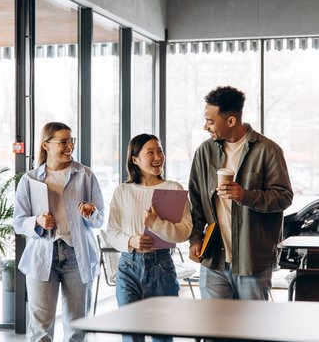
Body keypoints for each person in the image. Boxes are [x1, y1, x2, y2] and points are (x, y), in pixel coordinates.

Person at [188, 86, 293, 301]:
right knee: (214, 330)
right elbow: (196, 200)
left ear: (231, 121)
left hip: (252, 261)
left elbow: (284, 196)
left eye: (210, 121)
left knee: (252, 330)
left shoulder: (268, 150)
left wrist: (245, 195)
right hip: (213, 259)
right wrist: (195, 238)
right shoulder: (204, 152)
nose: (205, 126)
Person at [13, 122, 104, 342]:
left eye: (71, 141)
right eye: (63, 142)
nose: (69, 147)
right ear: (46, 145)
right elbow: (18, 222)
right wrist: (37, 221)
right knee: (41, 328)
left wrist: (91, 213)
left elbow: (99, 219)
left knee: (77, 327)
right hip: (42, 255)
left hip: (77, 255)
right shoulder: (30, 179)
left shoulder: (85, 175)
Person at [106, 133, 192, 342]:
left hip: (161, 266)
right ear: (135, 159)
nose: (158, 157)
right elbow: (111, 232)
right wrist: (130, 241)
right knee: (130, 334)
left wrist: (156, 223)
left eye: (160, 151)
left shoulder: (173, 189)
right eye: (150, 152)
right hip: (128, 267)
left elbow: (185, 231)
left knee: (162, 335)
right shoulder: (122, 191)